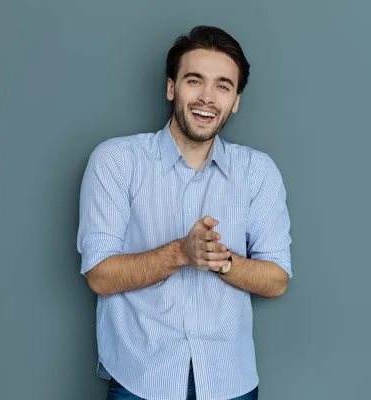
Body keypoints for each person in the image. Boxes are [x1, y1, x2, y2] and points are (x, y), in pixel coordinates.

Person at [76, 25, 292, 400]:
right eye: (195, 81)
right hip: (140, 380)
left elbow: (276, 279)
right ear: (171, 87)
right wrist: (182, 253)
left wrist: (220, 262)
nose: (207, 98)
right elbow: (99, 275)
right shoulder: (116, 160)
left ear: (236, 100)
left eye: (223, 86)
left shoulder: (258, 172)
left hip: (231, 382)